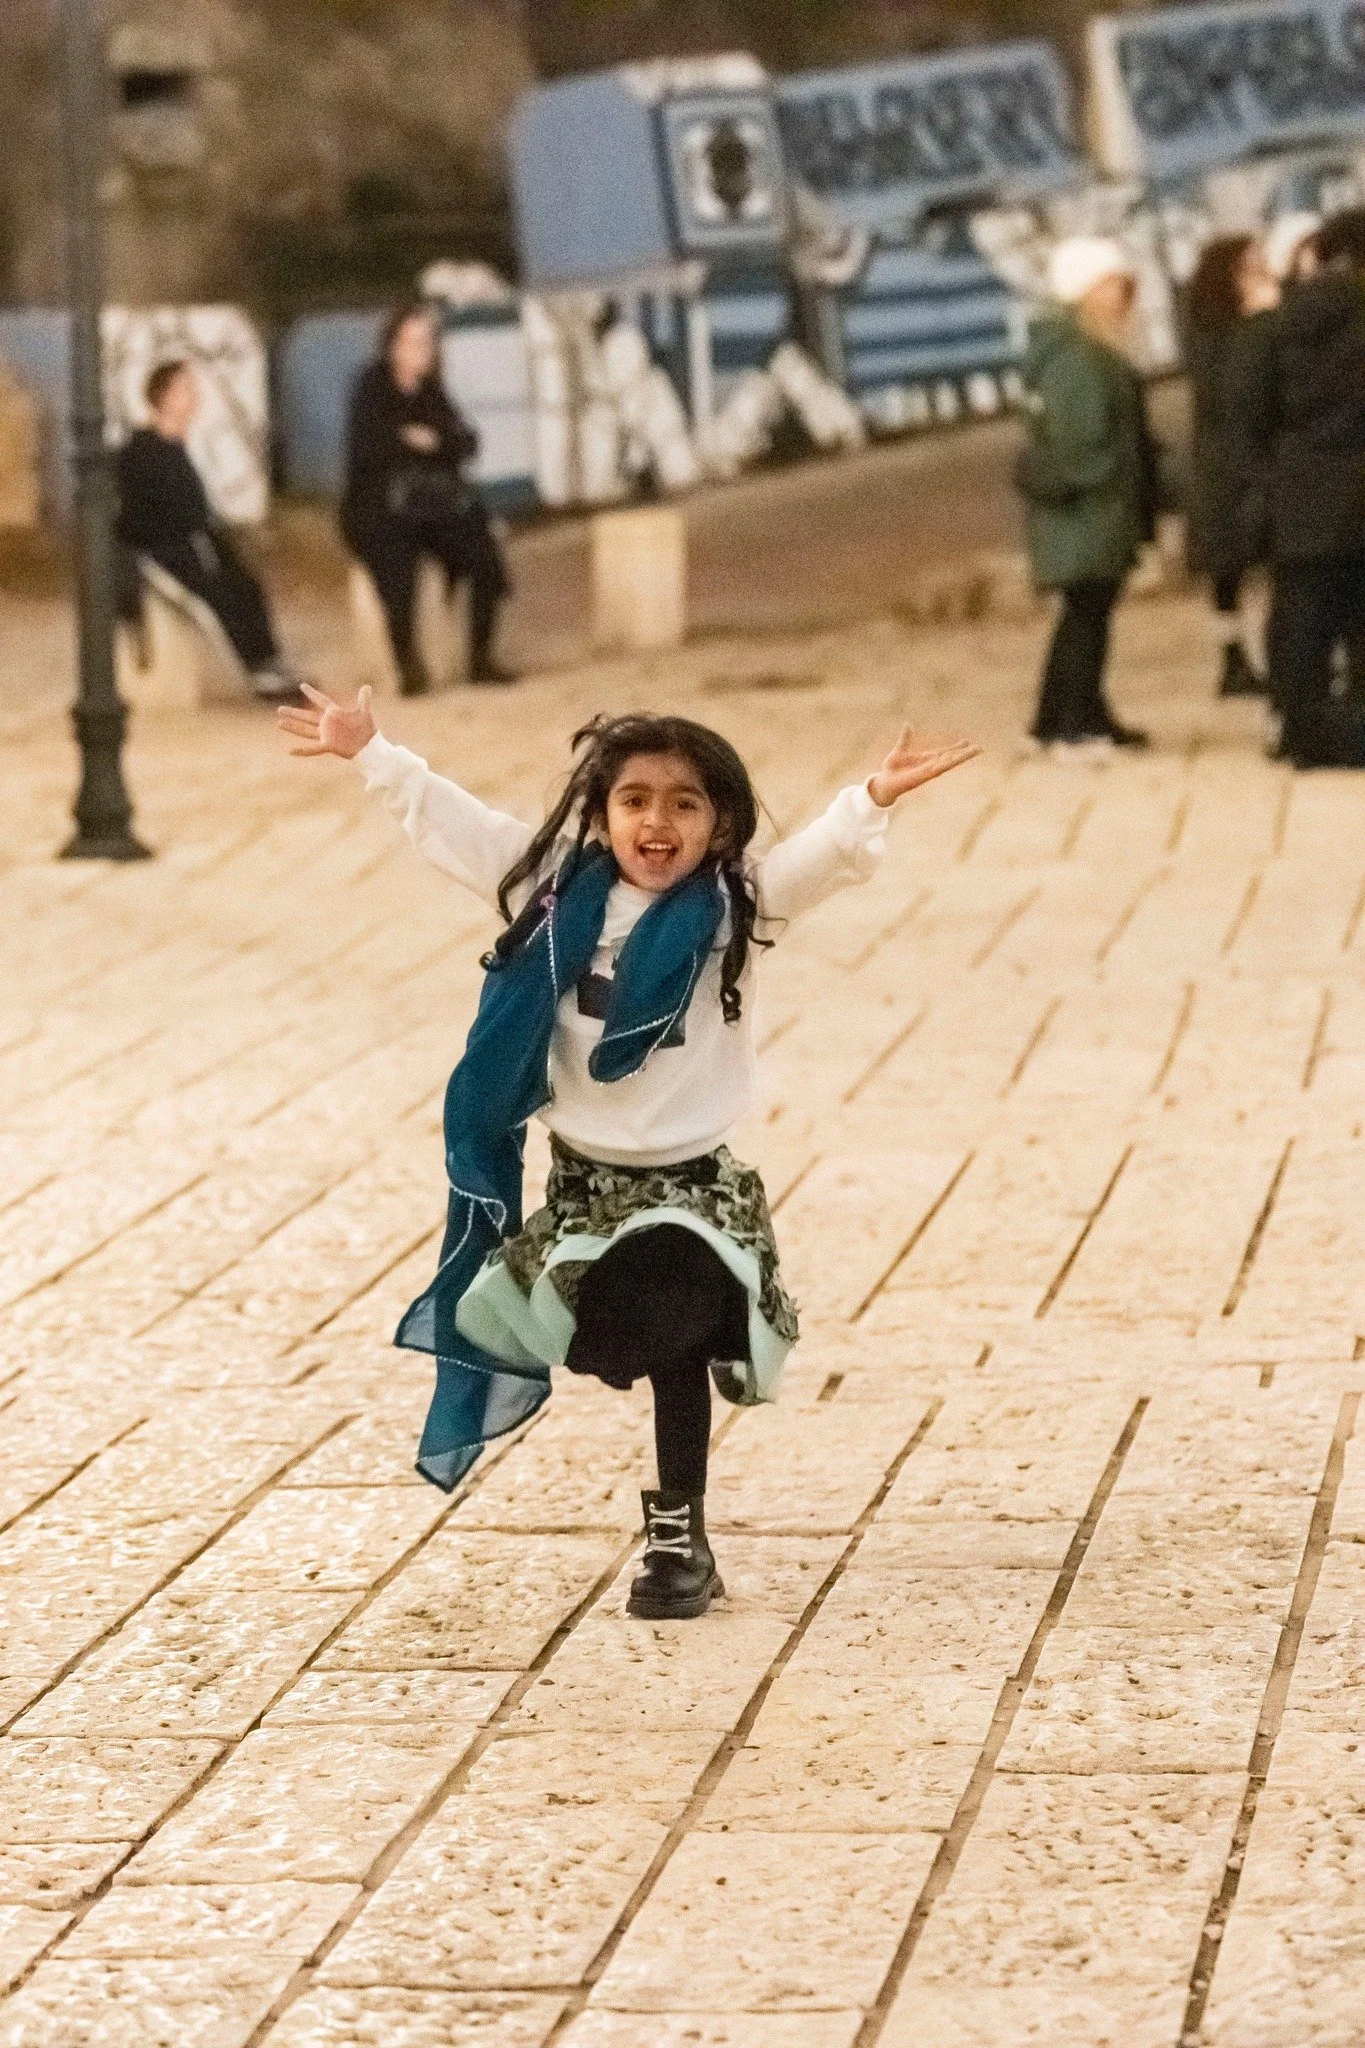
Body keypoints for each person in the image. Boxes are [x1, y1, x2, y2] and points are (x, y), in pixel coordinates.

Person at [276, 685, 978, 1619]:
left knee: (677, 1336)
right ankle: (652, 1432)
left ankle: (677, 1540)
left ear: (719, 826)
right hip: (583, 1191)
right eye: (636, 799)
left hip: (693, 1191)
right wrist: (373, 752)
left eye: (685, 803)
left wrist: (871, 797)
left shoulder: (735, 906)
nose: (658, 820)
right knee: (613, 1342)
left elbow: (816, 861)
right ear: (600, 817)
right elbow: (458, 825)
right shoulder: (549, 892)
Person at [1016, 237, 1160, 757]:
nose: (1124, 297)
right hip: (1087, 514)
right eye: (1113, 286)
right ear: (1084, 292)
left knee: (1087, 616)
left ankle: (1075, 715)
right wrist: (1116, 479)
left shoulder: (1074, 350)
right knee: (1085, 618)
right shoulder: (1078, 358)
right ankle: (1067, 725)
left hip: (1087, 514)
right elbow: (1082, 442)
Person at [1243, 207, 1365, 768]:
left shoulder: (1284, 321)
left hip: (1303, 496)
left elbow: (1258, 412)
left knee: (1302, 617)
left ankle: (1299, 730)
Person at [340, 301, 513, 693]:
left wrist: (427, 443)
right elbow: (370, 451)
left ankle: (480, 659)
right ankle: (409, 667)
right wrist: (418, 443)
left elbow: (464, 442)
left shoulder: (432, 392)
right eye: (414, 342)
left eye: (427, 343)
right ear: (393, 345)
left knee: (484, 558)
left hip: (433, 507)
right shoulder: (371, 387)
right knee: (396, 565)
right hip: (382, 509)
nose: (423, 351)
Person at [116, 361, 303, 703]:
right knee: (216, 597)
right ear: (165, 398)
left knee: (246, 583)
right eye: (185, 388)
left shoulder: (177, 448)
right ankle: (255, 672)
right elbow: (137, 518)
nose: (195, 396)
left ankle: (269, 662)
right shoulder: (141, 452)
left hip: (191, 544)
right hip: (158, 553)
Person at [1182, 234, 1278, 698]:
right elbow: (1236, 392)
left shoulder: (1213, 328)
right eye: (1251, 266)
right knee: (1232, 570)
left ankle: (1242, 658)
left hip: (1227, 465)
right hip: (1230, 469)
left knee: (1242, 571)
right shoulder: (1221, 331)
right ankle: (1237, 660)